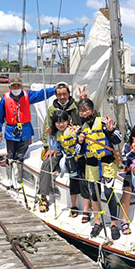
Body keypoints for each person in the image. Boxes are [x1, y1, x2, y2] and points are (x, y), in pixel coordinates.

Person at [40, 82, 90, 217]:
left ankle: (88, 200)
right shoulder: (51, 110)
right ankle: (43, 197)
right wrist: (49, 147)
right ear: (56, 95)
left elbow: (87, 119)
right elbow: (47, 130)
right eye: (59, 94)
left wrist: (84, 100)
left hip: (76, 145)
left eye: (64, 94)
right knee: (47, 162)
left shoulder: (76, 107)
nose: (62, 97)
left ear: (68, 94)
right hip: (59, 145)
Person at [0, 77, 55, 187]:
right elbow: (0, 116)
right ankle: (9, 177)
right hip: (11, 131)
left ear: (21, 87)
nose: (16, 88)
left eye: (18, 86)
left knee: (20, 156)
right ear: (10, 87)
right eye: (13, 86)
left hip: (25, 130)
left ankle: (17, 178)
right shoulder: (5, 99)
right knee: (10, 155)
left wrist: (55, 90)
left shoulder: (28, 96)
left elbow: (41, 94)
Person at [76, 98, 122, 240]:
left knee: (108, 192)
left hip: (107, 162)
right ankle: (97, 222)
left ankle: (114, 223)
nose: (85, 113)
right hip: (91, 163)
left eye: (87, 109)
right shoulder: (81, 130)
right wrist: (80, 141)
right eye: (82, 111)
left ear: (93, 110)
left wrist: (111, 130)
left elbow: (118, 139)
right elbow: (78, 151)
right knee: (94, 194)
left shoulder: (103, 122)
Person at [38, 110, 81, 214]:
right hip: (61, 151)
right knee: (47, 161)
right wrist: (51, 148)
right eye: (58, 122)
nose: (61, 125)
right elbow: (56, 146)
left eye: (63, 122)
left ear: (68, 121)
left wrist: (77, 132)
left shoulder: (74, 130)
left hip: (75, 154)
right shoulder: (55, 133)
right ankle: (43, 197)